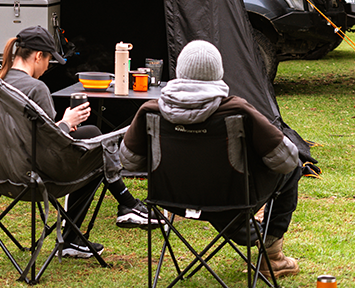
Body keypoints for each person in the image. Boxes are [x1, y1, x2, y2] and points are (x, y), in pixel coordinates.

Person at [120, 40, 302, 279]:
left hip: (171, 199)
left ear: (179, 71)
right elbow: (286, 161)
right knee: (294, 169)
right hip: (233, 198)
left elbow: (130, 162)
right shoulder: (238, 110)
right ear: (219, 73)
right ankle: (272, 257)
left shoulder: (151, 111)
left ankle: (246, 232)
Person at [0, 25, 164, 259]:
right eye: (48, 61)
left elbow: (20, 135)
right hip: (33, 175)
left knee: (90, 137)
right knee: (94, 146)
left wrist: (64, 125)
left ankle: (122, 208)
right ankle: (123, 206)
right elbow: (51, 143)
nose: (47, 68)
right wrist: (66, 122)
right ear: (37, 56)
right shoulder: (36, 88)